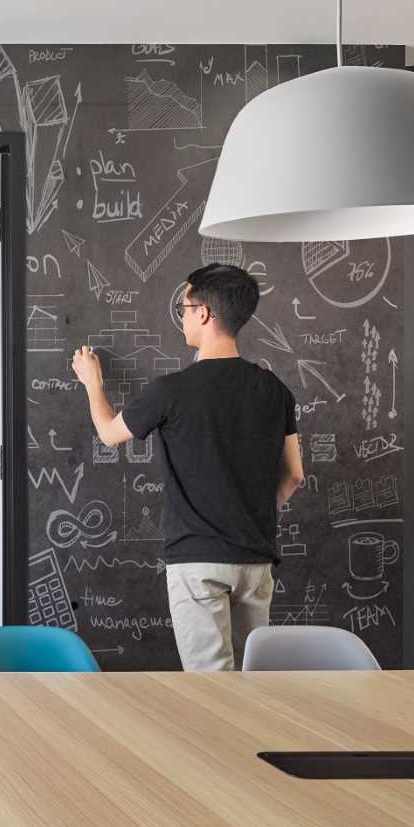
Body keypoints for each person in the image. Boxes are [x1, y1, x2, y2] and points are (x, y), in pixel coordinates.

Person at [72, 263, 304, 671]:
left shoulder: (172, 391)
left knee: (211, 688)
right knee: (256, 682)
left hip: (198, 562)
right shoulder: (275, 390)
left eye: (183, 307)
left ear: (204, 313)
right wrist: (254, 512)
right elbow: (295, 474)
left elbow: (109, 433)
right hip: (256, 560)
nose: (181, 316)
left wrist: (93, 383)